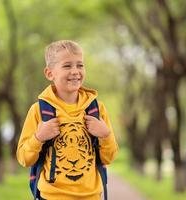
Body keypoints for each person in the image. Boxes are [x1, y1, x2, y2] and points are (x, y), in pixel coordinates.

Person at [16, 40, 118, 200]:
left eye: (80, 65)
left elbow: (108, 158)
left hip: (91, 197)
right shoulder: (38, 111)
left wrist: (106, 135)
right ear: (50, 73)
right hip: (51, 197)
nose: (75, 71)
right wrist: (39, 138)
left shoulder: (97, 109)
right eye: (67, 66)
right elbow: (24, 158)